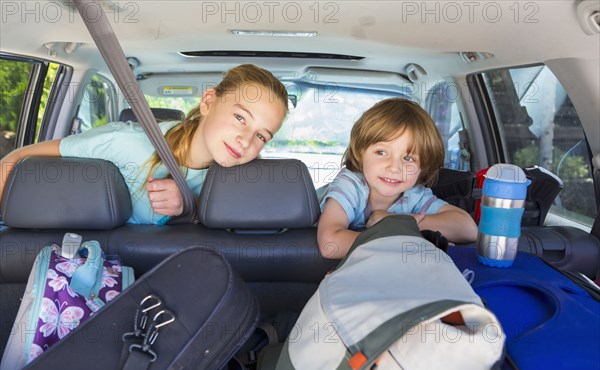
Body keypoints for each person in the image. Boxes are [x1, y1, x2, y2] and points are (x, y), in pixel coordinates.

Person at [0, 64, 288, 224]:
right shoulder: (125, 143)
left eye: (262, 135)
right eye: (240, 117)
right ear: (208, 102)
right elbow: (15, 160)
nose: (246, 140)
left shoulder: (245, 184)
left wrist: (190, 206)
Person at [317, 98, 478, 259]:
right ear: (361, 152)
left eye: (408, 158)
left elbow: (468, 230)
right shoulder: (350, 185)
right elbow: (329, 244)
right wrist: (400, 234)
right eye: (381, 152)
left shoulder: (414, 195)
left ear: (423, 166)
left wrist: (399, 221)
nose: (394, 168)